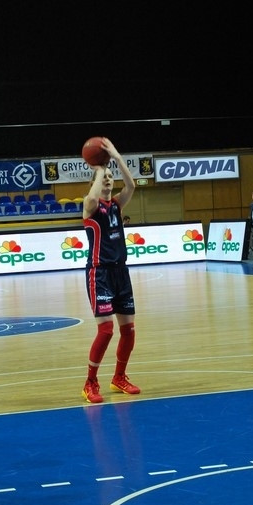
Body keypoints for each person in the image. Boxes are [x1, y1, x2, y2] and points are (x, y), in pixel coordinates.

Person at [80, 138, 140, 404]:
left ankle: (119, 377)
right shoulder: (90, 206)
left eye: (109, 177)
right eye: (102, 177)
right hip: (99, 273)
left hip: (120, 273)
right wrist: (100, 169)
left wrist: (115, 157)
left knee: (129, 330)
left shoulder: (116, 205)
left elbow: (132, 185)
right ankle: (90, 382)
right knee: (105, 330)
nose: (107, 180)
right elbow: (93, 196)